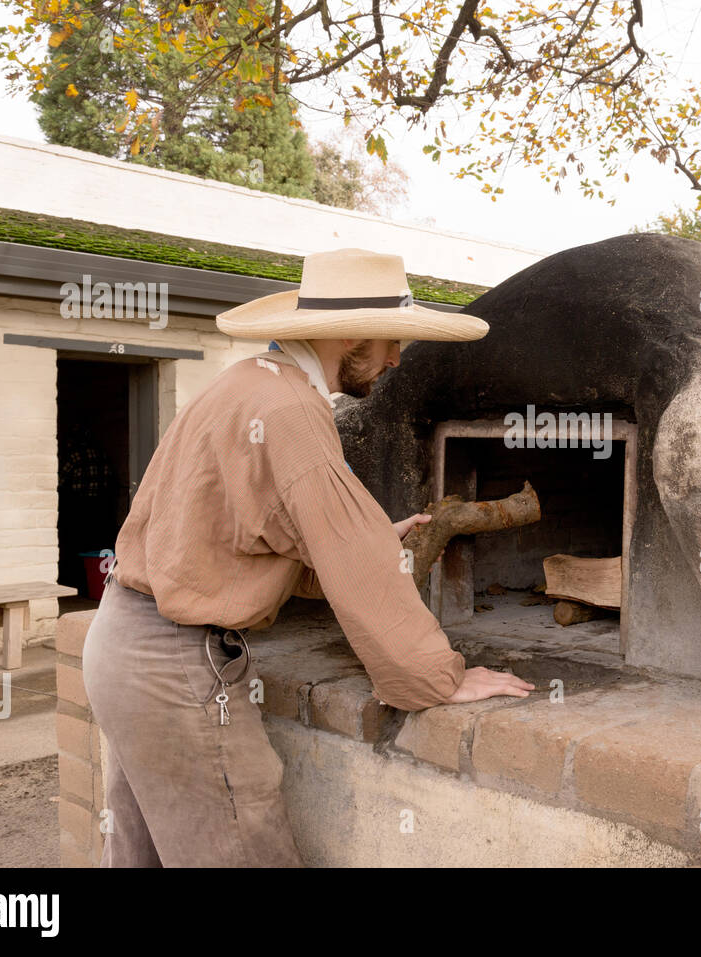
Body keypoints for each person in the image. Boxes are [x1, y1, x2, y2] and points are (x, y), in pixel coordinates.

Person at [81, 248, 533, 867]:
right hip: (175, 669)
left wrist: (354, 539)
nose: (398, 358)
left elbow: (237, 529)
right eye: (391, 340)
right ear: (350, 334)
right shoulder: (294, 412)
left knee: (140, 858)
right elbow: (358, 563)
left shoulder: (247, 383)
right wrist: (437, 678)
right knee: (245, 850)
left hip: (123, 647)